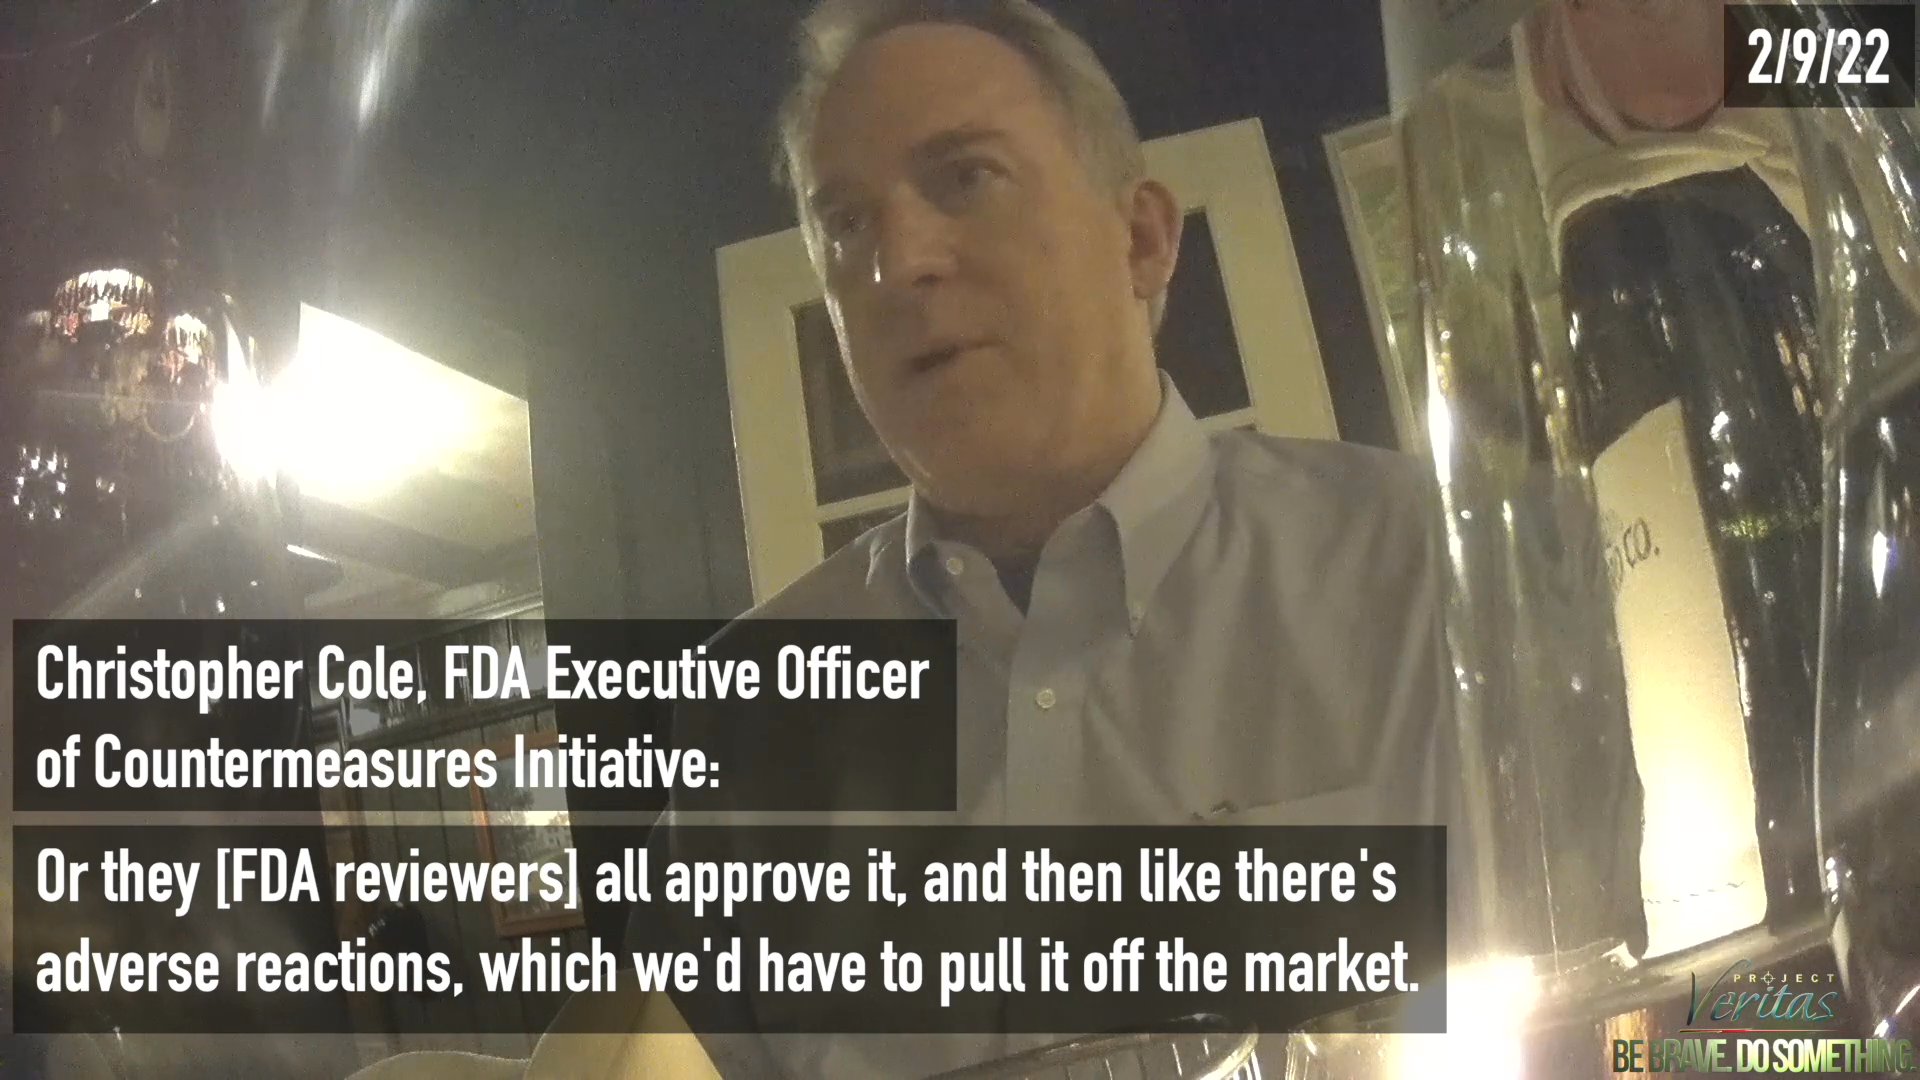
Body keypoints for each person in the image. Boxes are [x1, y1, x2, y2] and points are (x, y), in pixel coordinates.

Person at [633, 0, 1466, 1075]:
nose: (898, 262)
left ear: (1143, 238)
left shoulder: (1438, 572)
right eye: (846, 225)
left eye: (966, 177)